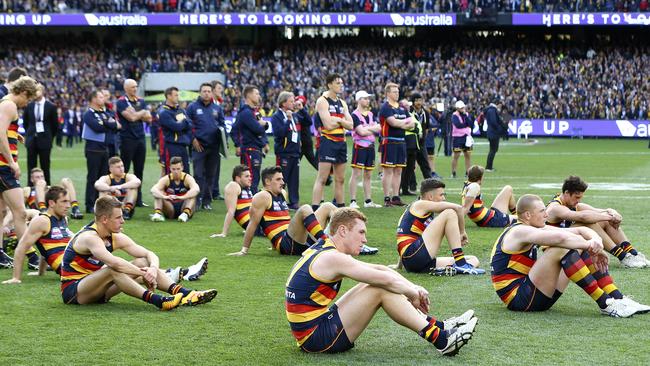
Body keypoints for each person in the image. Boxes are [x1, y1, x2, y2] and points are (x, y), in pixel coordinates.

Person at [285, 207, 478, 355]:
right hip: (315, 338)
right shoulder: (333, 258)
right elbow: (383, 279)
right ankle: (442, 340)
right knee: (380, 289)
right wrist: (411, 292)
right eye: (360, 232)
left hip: (316, 326)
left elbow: (380, 269)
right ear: (343, 231)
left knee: (373, 284)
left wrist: (413, 287)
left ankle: (441, 326)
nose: (365, 239)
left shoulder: (326, 248)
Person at [490, 194, 649, 317]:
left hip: (534, 295)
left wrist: (595, 241)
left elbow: (580, 229)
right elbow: (561, 239)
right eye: (541, 211)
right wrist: (590, 245)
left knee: (575, 246)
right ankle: (606, 304)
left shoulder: (531, 228)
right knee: (561, 248)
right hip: (519, 299)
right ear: (527, 216)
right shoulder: (519, 230)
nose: (546, 215)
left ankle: (618, 298)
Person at [58, 196, 216, 309]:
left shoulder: (114, 237)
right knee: (113, 270)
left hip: (100, 291)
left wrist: (152, 268)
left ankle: (186, 294)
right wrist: (143, 274)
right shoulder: (89, 237)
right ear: (104, 219)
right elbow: (115, 263)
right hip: (75, 293)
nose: (123, 221)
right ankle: (159, 301)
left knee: (143, 261)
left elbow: (149, 253)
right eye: (118, 218)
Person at [228, 166, 336, 256]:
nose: (283, 182)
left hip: (296, 238)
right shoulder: (262, 196)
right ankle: (326, 243)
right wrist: (244, 250)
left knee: (327, 206)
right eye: (278, 179)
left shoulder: (283, 193)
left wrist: (272, 245)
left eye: (282, 179)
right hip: (286, 244)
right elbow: (253, 224)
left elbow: (276, 221)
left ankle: (342, 240)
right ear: (267, 182)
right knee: (305, 209)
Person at [546, 175, 649, 268]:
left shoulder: (573, 204)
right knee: (587, 223)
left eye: (580, 197)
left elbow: (600, 211)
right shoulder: (555, 208)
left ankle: (633, 253)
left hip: (567, 243)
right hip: (554, 249)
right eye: (576, 197)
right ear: (567, 193)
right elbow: (583, 217)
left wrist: (613, 213)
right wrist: (608, 217)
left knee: (603, 220)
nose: (578, 201)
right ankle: (623, 257)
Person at [393, 178, 484, 275]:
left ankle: (450, 269)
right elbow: (458, 208)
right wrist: (462, 232)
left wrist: (399, 265)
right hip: (413, 256)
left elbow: (403, 237)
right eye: (441, 195)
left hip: (414, 260)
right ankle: (461, 265)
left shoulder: (418, 209)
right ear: (430, 196)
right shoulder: (420, 204)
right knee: (450, 213)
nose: (444, 198)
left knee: (474, 260)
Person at [0, 76, 39, 268]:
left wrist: (15, 135)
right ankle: (31, 257)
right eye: (28, 99)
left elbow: (4, 131)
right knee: (21, 213)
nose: (27, 103)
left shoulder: (4, 104)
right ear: (23, 92)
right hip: (3, 167)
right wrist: (11, 162)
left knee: (1, 212)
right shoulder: (9, 106)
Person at [312, 74, 354, 209]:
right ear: (329, 84)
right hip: (328, 142)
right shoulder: (322, 101)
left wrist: (339, 120)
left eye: (341, 83)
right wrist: (342, 121)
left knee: (340, 180)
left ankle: (341, 209)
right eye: (337, 83)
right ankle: (315, 209)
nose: (340, 85)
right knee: (322, 179)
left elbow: (351, 125)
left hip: (341, 142)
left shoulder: (342, 103)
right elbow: (328, 125)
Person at [187, 82, 225, 210]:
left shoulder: (217, 108)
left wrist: (223, 140)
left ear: (211, 93)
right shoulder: (192, 107)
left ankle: (207, 201)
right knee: (198, 175)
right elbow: (188, 125)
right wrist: (193, 140)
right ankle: (196, 200)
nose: (207, 93)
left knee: (210, 175)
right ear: (200, 92)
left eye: (209, 91)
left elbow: (223, 125)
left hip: (214, 147)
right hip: (199, 146)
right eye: (204, 91)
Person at [82, 90, 119, 214]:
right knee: (93, 177)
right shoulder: (88, 114)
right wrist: (108, 124)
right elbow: (98, 128)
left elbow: (115, 126)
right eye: (100, 96)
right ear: (93, 99)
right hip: (93, 149)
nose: (103, 98)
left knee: (103, 178)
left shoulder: (104, 112)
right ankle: (89, 204)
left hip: (105, 148)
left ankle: (102, 203)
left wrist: (107, 124)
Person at [116, 79, 152, 207]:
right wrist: (141, 113)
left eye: (136, 87)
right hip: (127, 139)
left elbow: (149, 118)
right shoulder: (121, 102)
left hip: (140, 138)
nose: (135, 89)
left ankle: (137, 199)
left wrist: (138, 113)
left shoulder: (141, 101)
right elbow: (131, 118)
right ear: (126, 88)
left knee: (139, 170)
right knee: (123, 170)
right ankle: (121, 198)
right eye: (132, 87)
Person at [378, 83, 414, 207]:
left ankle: (396, 197)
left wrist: (401, 123)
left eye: (398, 91)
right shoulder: (385, 107)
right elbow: (392, 122)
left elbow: (412, 123)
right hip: (389, 141)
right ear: (388, 93)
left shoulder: (402, 108)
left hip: (401, 141)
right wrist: (404, 123)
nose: (397, 93)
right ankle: (387, 198)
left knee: (398, 170)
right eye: (394, 91)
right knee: (388, 171)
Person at [230, 85, 268, 193]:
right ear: (249, 95)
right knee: (250, 177)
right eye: (256, 94)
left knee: (254, 176)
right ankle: (249, 202)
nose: (259, 96)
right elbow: (258, 129)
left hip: (255, 148)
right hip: (249, 149)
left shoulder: (254, 112)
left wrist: (264, 142)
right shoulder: (246, 113)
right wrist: (265, 125)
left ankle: (251, 199)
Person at [348, 90, 382, 209]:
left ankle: (368, 201)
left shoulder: (371, 114)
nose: (368, 100)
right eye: (365, 98)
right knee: (356, 174)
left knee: (368, 174)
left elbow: (378, 128)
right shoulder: (354, 115)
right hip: (360, 147)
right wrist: (372, 128)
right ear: (358, 100)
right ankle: (353, 201)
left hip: (370, 147)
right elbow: (361, 132)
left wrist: (368, 128)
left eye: (368, 98)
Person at [23, 84, 59, 186]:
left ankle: (47, 188)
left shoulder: (50, 106)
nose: (35, 93)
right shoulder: (29, 106)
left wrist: (49, 137)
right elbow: (26, 123)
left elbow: (55, 125)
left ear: (42, 91)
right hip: (31, 140)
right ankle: (30, 190)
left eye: (37, 90)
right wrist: (30, 133)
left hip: (45, 140)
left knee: (45, 166)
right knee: (31, 166)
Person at [271, 91, 301, 209]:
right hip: (284, 153)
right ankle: (280, 201)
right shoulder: (276, 117)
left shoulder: (294, 115)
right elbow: (279, 134)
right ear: (283, 103)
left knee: (294, 180)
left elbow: (307, 122)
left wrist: (302, 110)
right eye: (291, 101)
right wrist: (288, 120)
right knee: (282, 179)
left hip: (295, 152)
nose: (294, 103)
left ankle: (294, 202)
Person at [150, 156, 200, 223]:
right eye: (173, 169)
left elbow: (196, 189)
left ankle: (185, 214)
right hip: (170, 207)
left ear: (182, 168)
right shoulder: (166, 179)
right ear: (170, 168)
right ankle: (157, 214)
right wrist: (165, 197)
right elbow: (153, 190)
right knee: (159, 192)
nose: (176, 172)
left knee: (192, 194)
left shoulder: (187, 178)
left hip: (184, 205)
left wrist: (182, 197)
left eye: (178, 169)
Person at [210, 165, 253, 238]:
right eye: (246, 176)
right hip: (258, 225)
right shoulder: (233, 186)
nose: (250, 178)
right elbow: (231, 211)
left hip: (259, 224)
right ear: (237, 178)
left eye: (250, 176)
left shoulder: (246, 188)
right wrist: (224, 233)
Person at [158, 87, 192, 174]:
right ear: (169, 96)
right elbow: (176, 127)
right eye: (176, 95)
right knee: (172, 174)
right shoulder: (164, 112)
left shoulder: (180, 110)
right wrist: (184, 122)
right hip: (172, 147)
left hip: (183, 146)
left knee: (186, 173)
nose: (178, 97)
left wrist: (182, 123)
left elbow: (190, 124)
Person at [401, 97, 431, 195]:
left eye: (420, 100)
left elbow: (425, 128)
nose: (419, 102)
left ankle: (430, 186)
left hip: (421, 143)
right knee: (410, 166)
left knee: (425, 165)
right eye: (417, 100)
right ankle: (411, 186)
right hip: (410, 143)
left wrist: (422, 139)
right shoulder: (408, 113)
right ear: (413, 102)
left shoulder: (426, 113)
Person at [210, 79, 225, 200]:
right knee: (209, 167)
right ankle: (209, 191)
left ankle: (215, 191)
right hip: (208, 140)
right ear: (213, 90)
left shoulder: (218, 103)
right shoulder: (209, 104)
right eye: (219, 88)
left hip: (217, 140)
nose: (221, 91)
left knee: (216, 166)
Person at [294, 95, 318, 171]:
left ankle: (288, 178)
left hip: (304, 141)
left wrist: (302, 109)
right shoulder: (302, 113)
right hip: (303, 141)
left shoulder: (301, 113)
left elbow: (310, 121)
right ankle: (327, 177)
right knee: (312, 160)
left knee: (295, 162)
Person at [450, 101, 473, 178]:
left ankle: (468, 172)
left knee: (468, 155)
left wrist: (466, 118)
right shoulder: (454, 115)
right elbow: (458, 125)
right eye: (461, 108)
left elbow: (471, 124)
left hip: (467, 137)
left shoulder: (466, 115)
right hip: (457, 138)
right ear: (457, 108)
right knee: (456, 155)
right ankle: (453, 172)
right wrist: (466, 124)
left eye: (463, 107)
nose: (463, 109)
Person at [485, 100, 508, 172]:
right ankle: (488, 167)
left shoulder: (491, 110)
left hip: (492, 133)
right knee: (493, 150)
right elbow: (494, 122)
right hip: (493, 133)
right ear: (497, 104)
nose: (500, 107)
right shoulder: (492, 110)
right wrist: (500, 129)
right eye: (500, 105)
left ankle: (489, 166)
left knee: (493, 150)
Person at [423, 102, 442, 178]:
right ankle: (411, 173)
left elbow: (436, 124)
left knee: (431, 157)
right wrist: (431, 129)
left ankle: (433, 172)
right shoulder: (422, 117)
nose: (429, 110)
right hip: (424, 140)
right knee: (418, 159)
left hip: (430, 141)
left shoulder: (431, 117)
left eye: (429, 109)